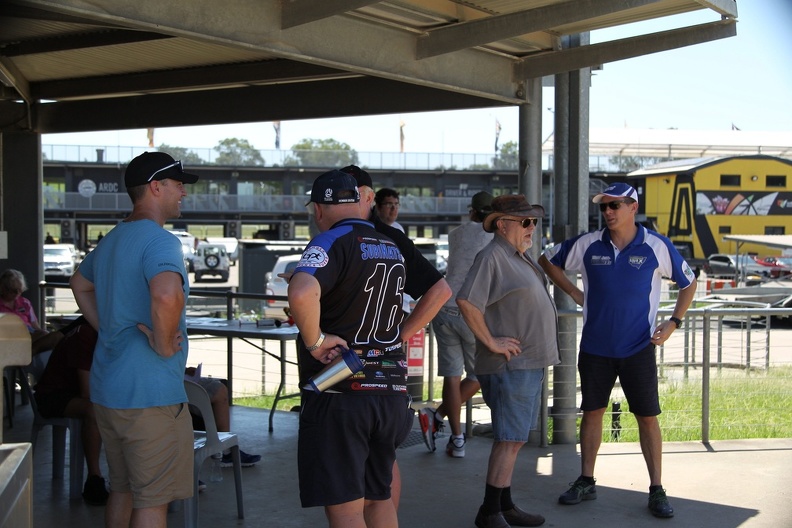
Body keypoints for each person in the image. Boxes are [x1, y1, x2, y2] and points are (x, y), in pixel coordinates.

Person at [538, 182, 697, 519]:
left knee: (647, 418)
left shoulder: (656, 245)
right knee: (592, 412)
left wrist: (674, 323)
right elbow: (547, 260)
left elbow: (689, 282)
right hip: (595, 348)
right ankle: (586, 480)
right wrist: (575, 293)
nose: (608, 212)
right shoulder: (588, 244)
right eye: (604, 207)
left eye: (615, 205)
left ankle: (656, 489)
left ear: (632, 207)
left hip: (638, 348)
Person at [289, 169, 426, 527]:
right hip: (391, 392)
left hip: (342, 392)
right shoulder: (390, 244)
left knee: (346, 508)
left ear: (319, 209)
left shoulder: (329, 241)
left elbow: (301, 292)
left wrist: (315, 341)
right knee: (379, 499)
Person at [70, 151, 198, 528]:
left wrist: (108, 327)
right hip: (150, 394)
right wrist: (163, 343)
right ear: (156, 187)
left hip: (109, 391)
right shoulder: (160, 241)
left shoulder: (113, 238)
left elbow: (79, 284)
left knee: (123, 490)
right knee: (153, 500)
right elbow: (167, 295)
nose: (183, 193)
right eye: (178, 185)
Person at [340, 164, 451, 510]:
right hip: (362, 368)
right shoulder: (347, 237)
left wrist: (401, 333)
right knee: (380, 459)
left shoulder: (385, 236)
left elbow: (440, 290)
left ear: (367, 198)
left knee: (367, 466)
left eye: (347, 194)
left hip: (356, 370)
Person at [457, 194, 559, 528]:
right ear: (502, 224)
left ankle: (504, 504)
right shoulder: (493, 256)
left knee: (514, 439)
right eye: (525, 222)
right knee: (509, 439)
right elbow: (467, 301)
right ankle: (490, 512)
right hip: (510, 366)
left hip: (525, 364)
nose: (532, 228)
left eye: (534, 221)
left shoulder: (517, 255)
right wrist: (490, 340)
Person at [420, 191, 493, 457]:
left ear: (471, 210)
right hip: (472, 310)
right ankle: (439, 417)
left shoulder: (455, 234)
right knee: (480, 375)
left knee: (452, 376)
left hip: (445, 307)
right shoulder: (495, 237)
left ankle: (456, 437)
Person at [33, 317, 108, 505]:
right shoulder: (86, 334)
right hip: (53, 396)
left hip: (74, 393)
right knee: (95, 410)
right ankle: (94, 478)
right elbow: (87, 393)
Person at [0, 268, 64, 354]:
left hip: (29, 334)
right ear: (4, 289)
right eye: (14, 290)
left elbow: (35, 326)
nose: (17, 293)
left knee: (55, 336)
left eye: (20, 290)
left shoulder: (25, 303)